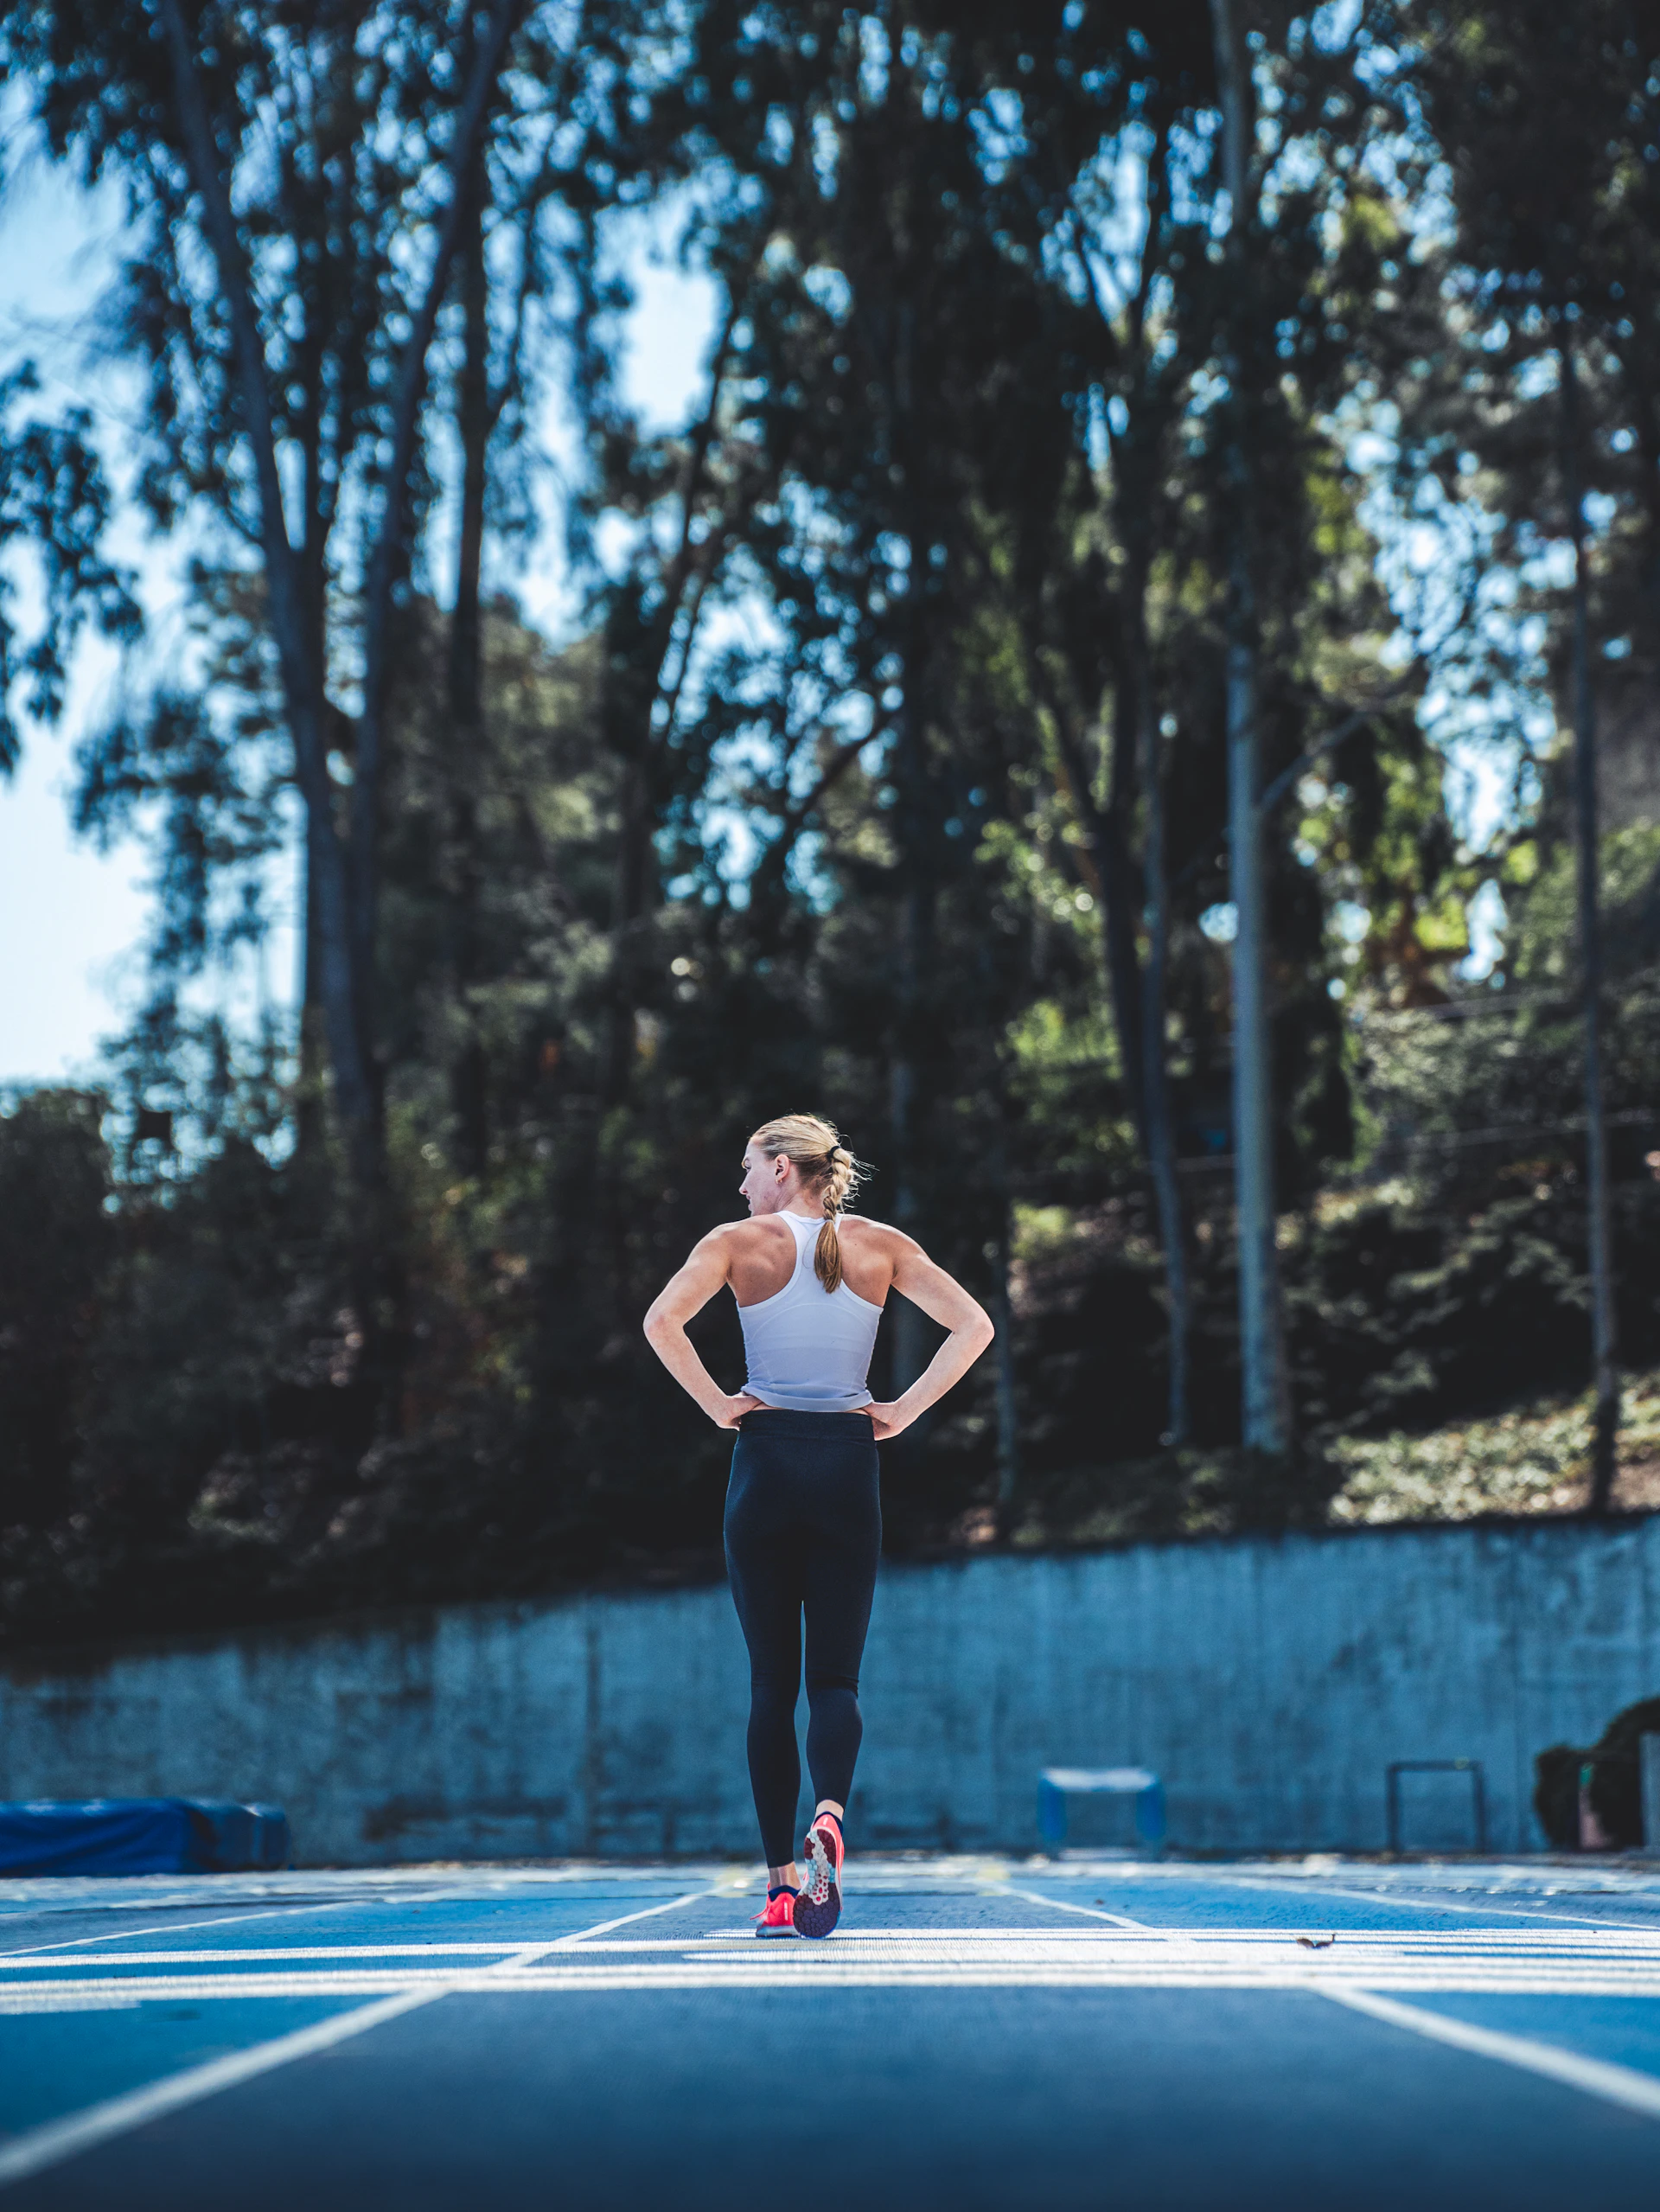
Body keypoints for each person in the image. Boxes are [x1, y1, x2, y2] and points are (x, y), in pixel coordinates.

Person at [643, 1113, 994, 1938]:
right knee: (835, 1683)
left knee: (772, 1684)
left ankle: (779, 1886)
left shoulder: (735, 1242)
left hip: (764, 1462)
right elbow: (974, 1326)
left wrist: (721, 1408)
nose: (738, 1185)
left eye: (745, 1167)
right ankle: (830, 1812)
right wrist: (901, 1412)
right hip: (847, 1465)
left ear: (778, 1168)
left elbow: (662, 1323)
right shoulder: (880, 1244)